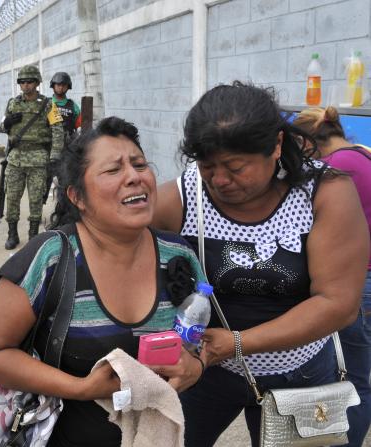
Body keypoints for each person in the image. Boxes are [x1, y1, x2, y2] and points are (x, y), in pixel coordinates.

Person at [153, 82, 369, 447]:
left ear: (276, 146)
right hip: (206, 371)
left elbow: (338, 304)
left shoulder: (324, 193)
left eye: (236, 168)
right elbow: (113, 242)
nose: (220, 180)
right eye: (208, 166)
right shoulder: (183, 197)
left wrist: (236, 343)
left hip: (298, 371)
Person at [0, 117, 207, 446]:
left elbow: (204, 332)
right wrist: (80, 388)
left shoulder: (178, 254)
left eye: (139, 164)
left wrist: (197, 363)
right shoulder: (51, 257)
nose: (134, 177)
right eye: (113, 170)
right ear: (77, 196)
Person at [293, 106, 371, 447]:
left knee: (345, 376)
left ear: (308, 143)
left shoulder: (334, 169)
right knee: (359, 375)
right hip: (366, 279)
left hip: (353, 281)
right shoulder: (362, 156)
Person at [0, 64, 64, 249]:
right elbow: (3, 127)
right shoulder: (13, 103)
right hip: (15, 158)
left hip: (38, 158)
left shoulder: (47, 104)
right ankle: (12, 234)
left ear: (37, 83)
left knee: (36, 198)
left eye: (29, 82)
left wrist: (54, 157)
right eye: (22, 82)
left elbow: (57, 130)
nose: (26, 85)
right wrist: (7, 123)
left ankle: (33, 235)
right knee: (11, 197)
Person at [50, 72, 81, 139]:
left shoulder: (73, 106)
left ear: (68, 87)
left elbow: (80, 126)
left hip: (69, 144)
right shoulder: (46, 103)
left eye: (64, 85)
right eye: (58, 84)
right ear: (53, 86)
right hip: (49, 144)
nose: (61, 87)